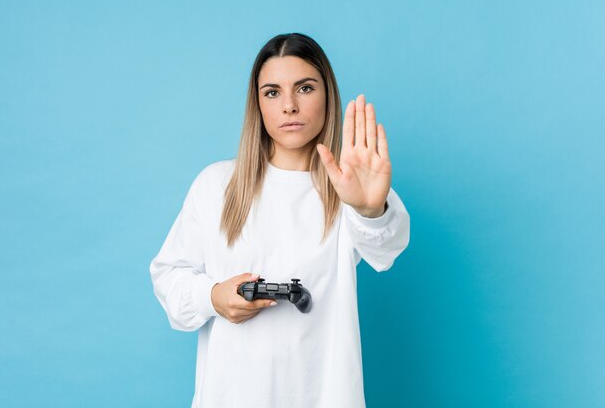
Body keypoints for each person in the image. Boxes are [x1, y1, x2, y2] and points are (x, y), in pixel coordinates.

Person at [149, 32, 410, 408]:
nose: (289, 105)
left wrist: (371, 209)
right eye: (272, 92)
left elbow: (386, 249)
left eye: (304, 88)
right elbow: (168, 278)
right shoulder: (217, 184)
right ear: (257, 104)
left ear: (327, 95)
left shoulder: (347, 184)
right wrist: (213, 296)